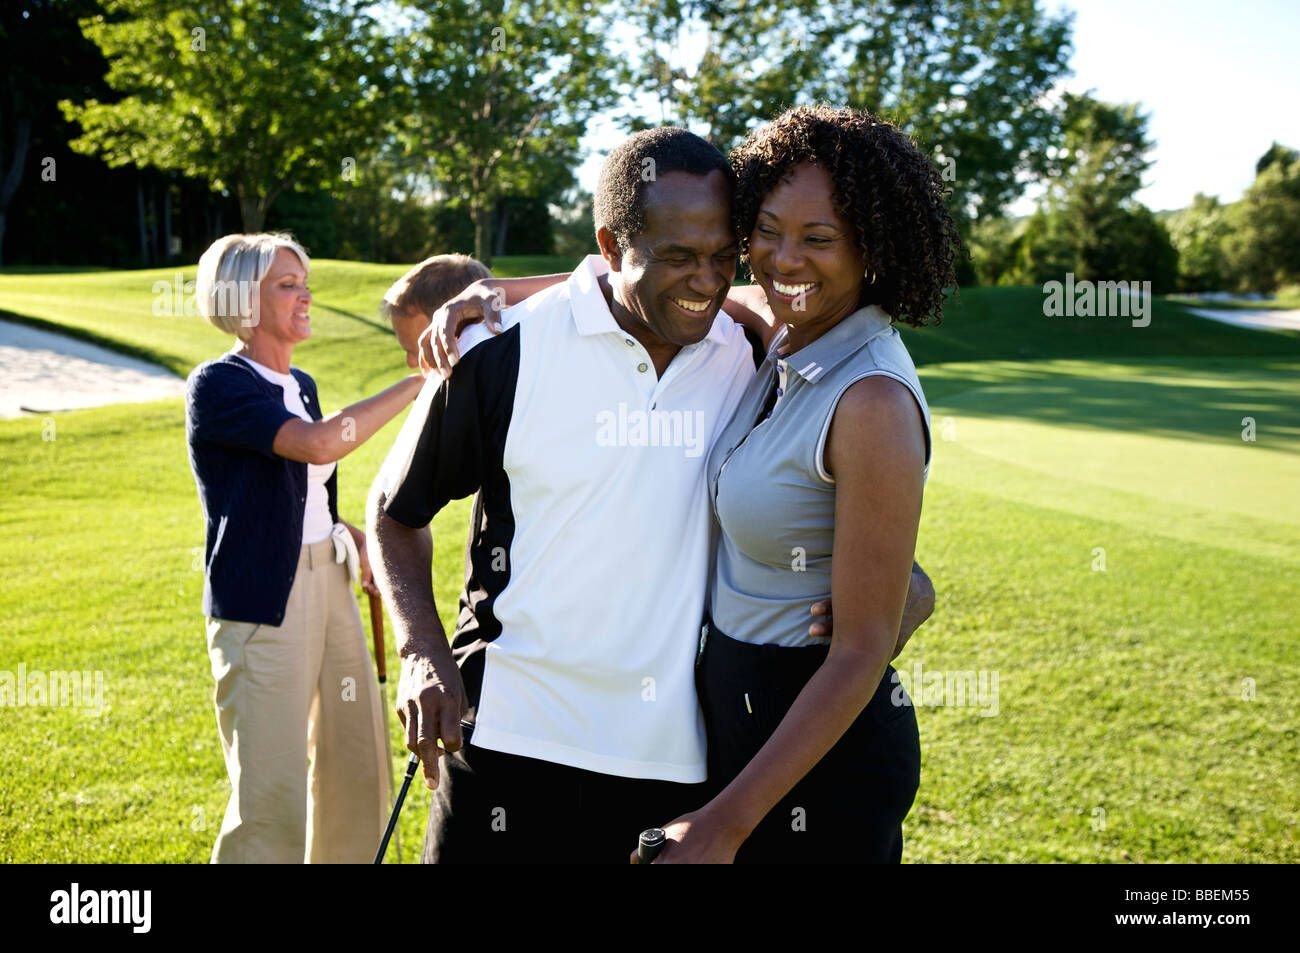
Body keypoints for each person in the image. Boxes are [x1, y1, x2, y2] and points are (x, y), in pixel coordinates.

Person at [368, 127, 934, 863]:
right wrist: (419, 651)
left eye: (721, 257)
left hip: (675, 765)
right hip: (504, 739)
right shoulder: (501, 351)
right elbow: (392, 508)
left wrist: (909, 588)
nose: (706, 281)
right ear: (610, 246)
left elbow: (847, 501)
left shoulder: (755, 349)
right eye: (676, 257)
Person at [647, 105, 962, 862]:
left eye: (818, 238)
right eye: (768, 228)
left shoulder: (872, 399)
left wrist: (725, 822)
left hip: (819, 760)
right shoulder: (789, 331)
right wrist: (486, 292)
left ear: (872, 248)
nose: (784, 260)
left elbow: (860, 651)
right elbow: (643, 271)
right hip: (740, 725)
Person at [185, 232, 424, 863]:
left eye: (304, 283)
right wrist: (418, 382)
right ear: (240, 300)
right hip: (265, 602)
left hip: (331, 584)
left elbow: (307, 491)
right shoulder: (219, 383)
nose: (305, 296)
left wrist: (349, 533)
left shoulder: (304, 382)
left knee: (356, 759)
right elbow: (319, 446)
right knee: (273, 793)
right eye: (287, 285)